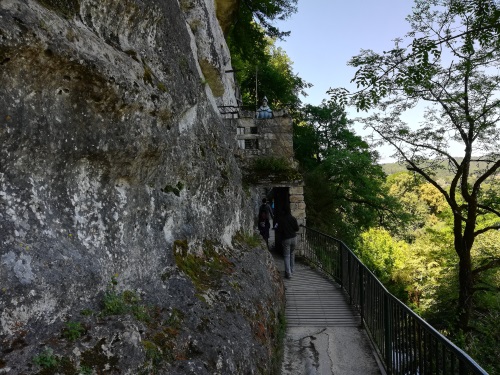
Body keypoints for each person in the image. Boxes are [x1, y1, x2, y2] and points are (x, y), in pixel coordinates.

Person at [276, 208, 299, 279]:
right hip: (294, 238)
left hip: (286, 239)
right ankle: (292, 270)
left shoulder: (281, 220)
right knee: (292, 254)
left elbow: (279, 230)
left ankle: (288, 273)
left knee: (286, 256)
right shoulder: (293, 218)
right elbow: (297, 229)